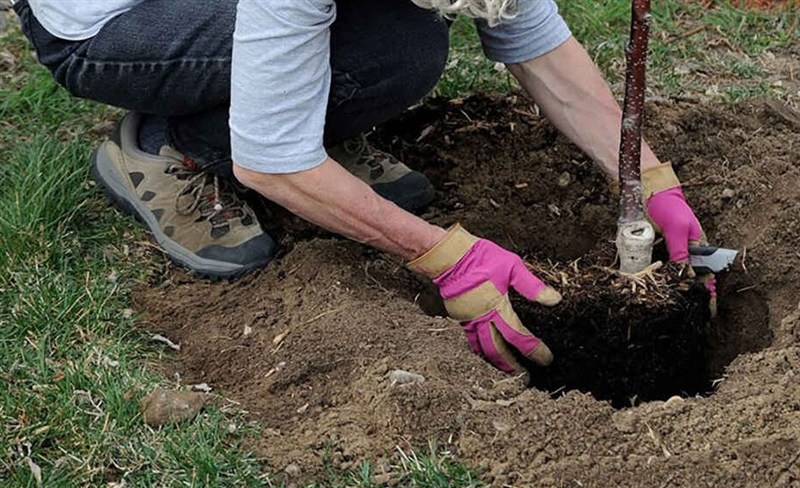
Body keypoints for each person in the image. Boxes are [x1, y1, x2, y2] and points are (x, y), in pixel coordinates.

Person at [13, 0, 710, 373]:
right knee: (337, 69)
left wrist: (646, 175)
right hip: (115, 22)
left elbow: (538, 45)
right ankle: (170, 150)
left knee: (407, 46)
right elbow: (271, 159)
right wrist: (447, 257)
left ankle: (309, 103)